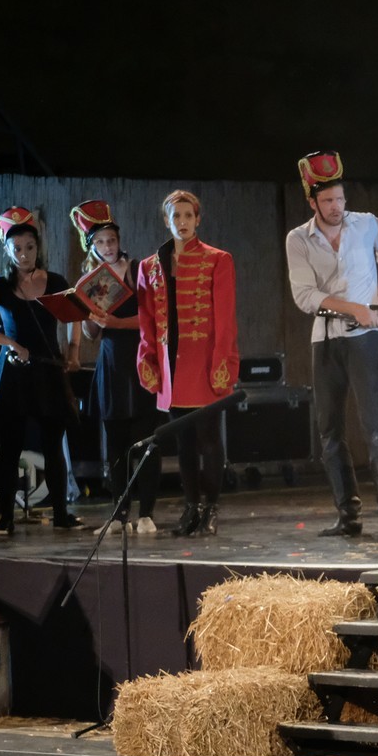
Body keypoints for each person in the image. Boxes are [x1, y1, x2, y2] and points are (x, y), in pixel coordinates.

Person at [286, 151, 378, 540]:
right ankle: (348, 515)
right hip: (326, 338)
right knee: (329, 429)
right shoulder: (298, 239)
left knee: (374, 423)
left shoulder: (367, 223)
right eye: (327, 200)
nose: (336, 206)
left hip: (365, 338)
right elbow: (305, 296)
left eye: (340, 198)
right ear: (312, 202)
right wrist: (352, 307)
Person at [0, 207, 85, 534]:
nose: (24, 254)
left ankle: (61, 515)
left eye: (30, 247)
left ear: (38, 248)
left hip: (49, 371)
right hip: (14, 373)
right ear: (7, 250)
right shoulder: (0, 285)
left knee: (53, 445)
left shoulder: (56, 281)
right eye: (17, 248)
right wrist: (10, 343)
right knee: (10, 447)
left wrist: (73, 350)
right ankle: (6, 518)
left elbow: (75, 316)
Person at [136, 189, 239, 537]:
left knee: (209, 438)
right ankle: (191, 507)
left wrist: (223, 362)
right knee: (183, 442)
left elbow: (225, 319)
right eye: (176, 216)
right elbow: (147, 321)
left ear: (198, 219)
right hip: (171, 366)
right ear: (166, 221)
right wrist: (148, 359)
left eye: (188, 216)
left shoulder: (218, 260)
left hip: (204, 362)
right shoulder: (149, 266)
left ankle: (211, 508)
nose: (182, 222)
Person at [71, 199, 163, 534]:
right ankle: (119, 515)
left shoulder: (138, 269)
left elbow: (152, 318)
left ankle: (147, 513)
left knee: (147, 441)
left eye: (111, 240)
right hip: (110, 364)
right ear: (91, 246)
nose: (108, 247)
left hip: (140, 360)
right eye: (100, 242)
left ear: (119, 240)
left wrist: (116, 322)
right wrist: (89, 314)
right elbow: (91, 333)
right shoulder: (90, 280)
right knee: (116, 446)